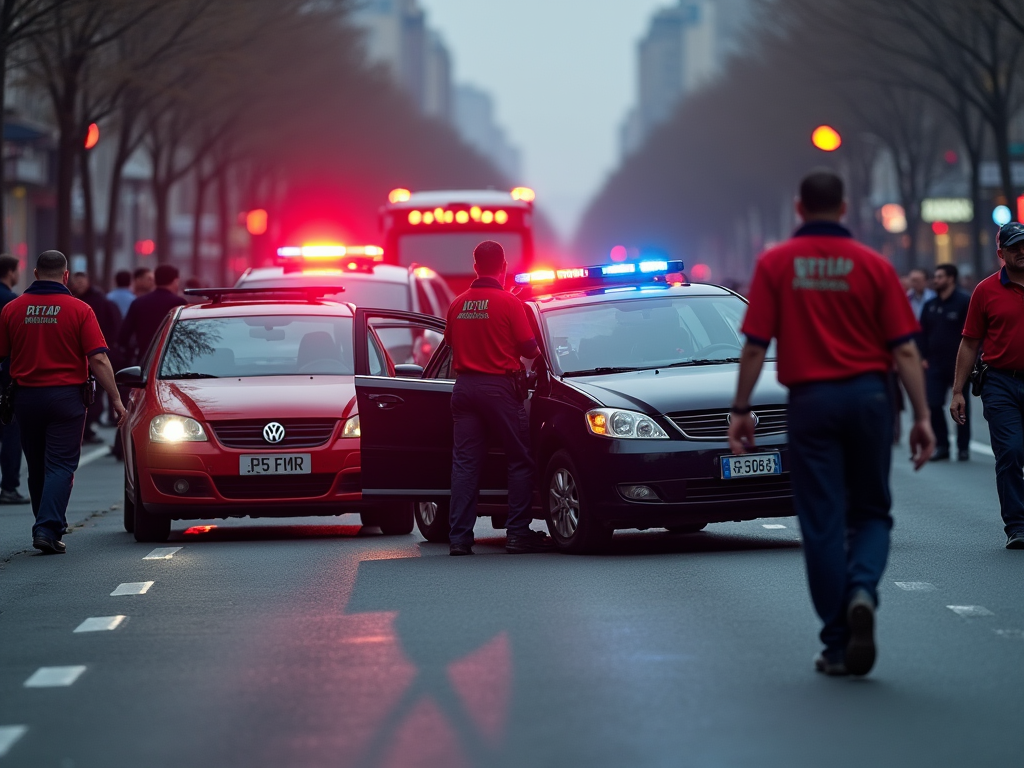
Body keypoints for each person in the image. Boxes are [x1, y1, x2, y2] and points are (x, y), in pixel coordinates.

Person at [728, 170, 934, 678]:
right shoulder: (874, 265)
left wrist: (740, 409)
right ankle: (863, 587)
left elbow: (756, 345)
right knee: (871, 512)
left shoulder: (775, 264)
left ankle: (837, 641)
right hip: (869, 398)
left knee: (821, 521)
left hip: (811, 402)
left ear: (799, 208)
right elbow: (904, 348)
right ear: (845, 209)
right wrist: (922, 416)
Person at [0, 250, 126, 554]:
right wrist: (116, 398)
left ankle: (47, 524)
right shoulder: (80, 309)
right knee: (60, 465)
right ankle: (47, 527)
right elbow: (97, 357)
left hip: (26, 397)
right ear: (65, 275)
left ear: (35, 273)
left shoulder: (12, 309)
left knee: (37, 466)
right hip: (66, 398)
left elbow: (3, 356)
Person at [443, 240, 549, 556]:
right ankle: (517, 533)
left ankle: (459, 539)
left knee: (464, 466)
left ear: (475, 267)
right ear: (503, 267)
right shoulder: (509, 304)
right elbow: (531, 350)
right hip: (499, 390)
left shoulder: (457, 304)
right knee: (519, 460)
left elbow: (450, 343)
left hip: (464, 391)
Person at [951, 222, 1024, 550]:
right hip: (999, 382)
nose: (1022, 252)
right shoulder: (985, 290)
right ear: (1001, 254)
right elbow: (969, 343)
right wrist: (957, 391)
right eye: (1014, 248)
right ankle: (1017, 525)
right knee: (1009, 451)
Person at [920, 263, 972, 462]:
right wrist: (923, 356)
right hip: (934, 364)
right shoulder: (930, 305)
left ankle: (963, 447)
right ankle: (942, 445)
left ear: (951, 278)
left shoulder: (964, 302)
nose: (936, 280)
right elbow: (921, 333)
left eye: (940, 276)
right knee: (933, 404)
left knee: (960, 405)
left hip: (959, 364)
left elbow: (973, 335)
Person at [70, 272, 121, 444]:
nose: (79, 284)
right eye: (77, 282)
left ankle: (87, 428)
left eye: (82, 281)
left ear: (88, 282)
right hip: (79, 355)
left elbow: (112, 327)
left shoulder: (99, 302)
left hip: (94, 352)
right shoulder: (73, 300)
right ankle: (85, 430)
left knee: (95, 394)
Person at [117, 264, 186, 364]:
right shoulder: (179, 303)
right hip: (173, 361)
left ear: (155, 280)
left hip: (145, 360)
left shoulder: (138, 302)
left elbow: (123, 336)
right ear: (175, 281)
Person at [0, 255, 28, 504]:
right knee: (10, 430)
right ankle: (9, 486)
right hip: (6, 375)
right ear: (10, 272)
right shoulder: (11, 302)